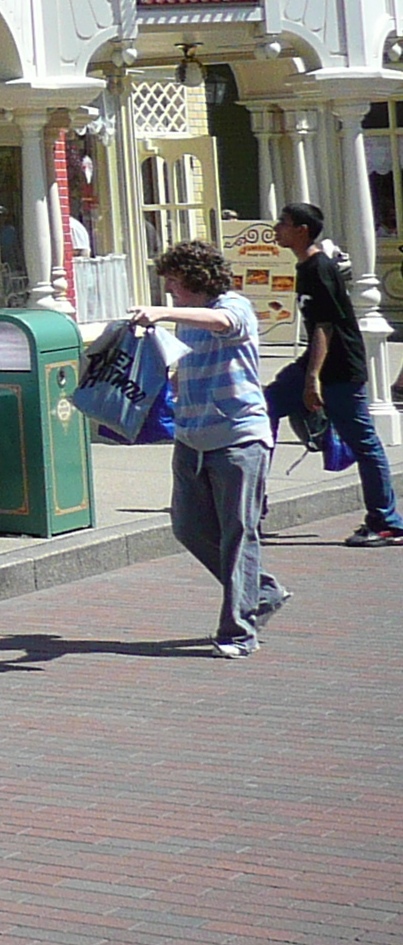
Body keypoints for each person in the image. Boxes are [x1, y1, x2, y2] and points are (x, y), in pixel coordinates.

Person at [133, 238, 288, 655]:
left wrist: (163, 313)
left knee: (239, 533)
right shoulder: (189, 321)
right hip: (191, 437)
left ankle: (239, 632)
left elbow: (225, 324)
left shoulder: (233, 305)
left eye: (173, 282)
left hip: (238, 437)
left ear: (195, 279)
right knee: (188, 527)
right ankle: (262, 590)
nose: (168, 291)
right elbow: (184, 366)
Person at [281, 202, 403, 547]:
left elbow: (326, 325)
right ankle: (244, 508)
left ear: (302, 230)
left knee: (364, 442)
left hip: (339, 369)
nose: (277, 228)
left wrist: (312, 378)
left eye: (283, 223)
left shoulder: (320, 268)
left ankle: (387, 522)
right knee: (265, 407)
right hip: (316, 363)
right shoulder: (305, 266)